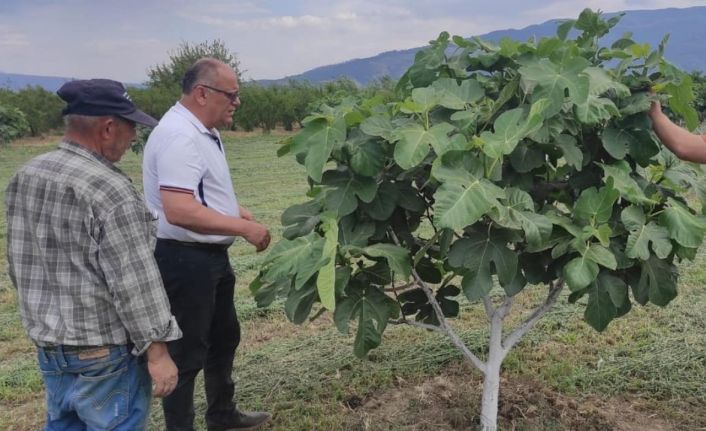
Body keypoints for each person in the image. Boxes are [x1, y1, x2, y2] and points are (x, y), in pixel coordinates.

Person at [5, 79, 182, 430]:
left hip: (51, 349)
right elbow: (134, 282)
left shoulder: (28, 175)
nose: (134, 137)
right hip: (104, 353)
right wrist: (158, 352)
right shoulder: (109, 189)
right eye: (131, 127)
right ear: (108, 128)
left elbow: (18, 265)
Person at [142, 58, 272, 431]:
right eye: (231, 94)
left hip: (208, 257)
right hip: (185, 260)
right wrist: (241, 228)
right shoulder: (179, 136)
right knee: (186, 353)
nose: (237, 102)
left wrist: (236, 212)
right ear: (202, 93)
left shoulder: (200, 130)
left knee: (223, 337)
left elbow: (198, 194)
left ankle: (222, 415)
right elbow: (180, 209)